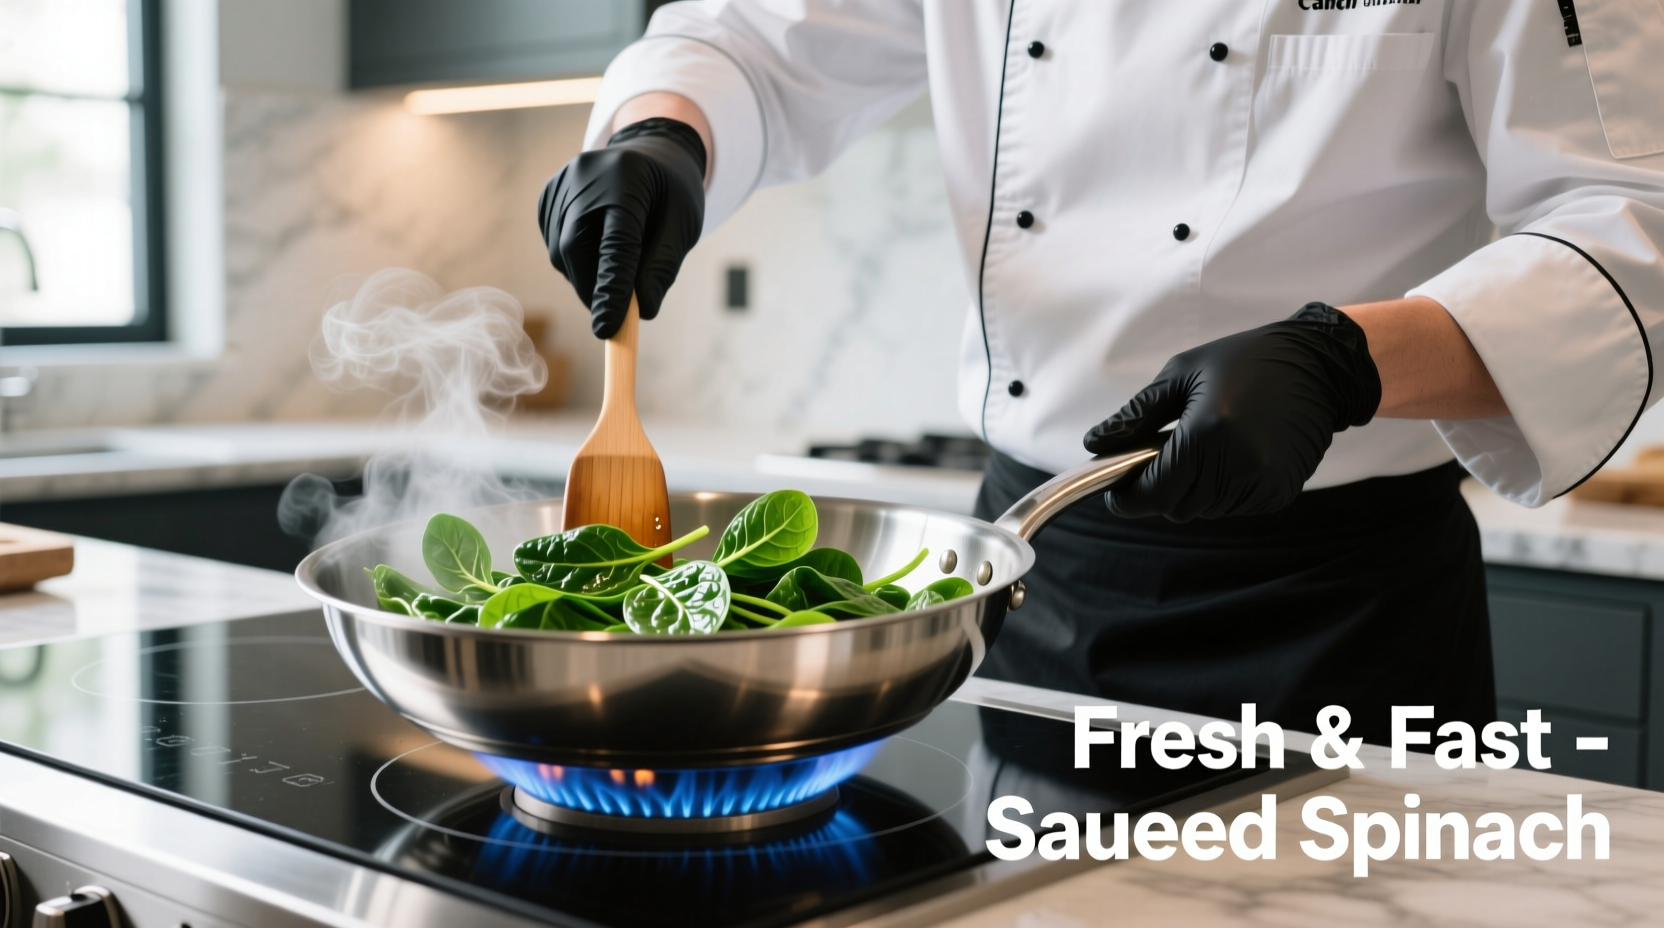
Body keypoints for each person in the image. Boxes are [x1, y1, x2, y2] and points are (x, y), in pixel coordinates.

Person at [537, 2, 1664, 745]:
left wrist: (1345, 360)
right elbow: (752, 42)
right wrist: (661, 136)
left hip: (1332, 601)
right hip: (1035, 573)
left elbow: (1631, 223)